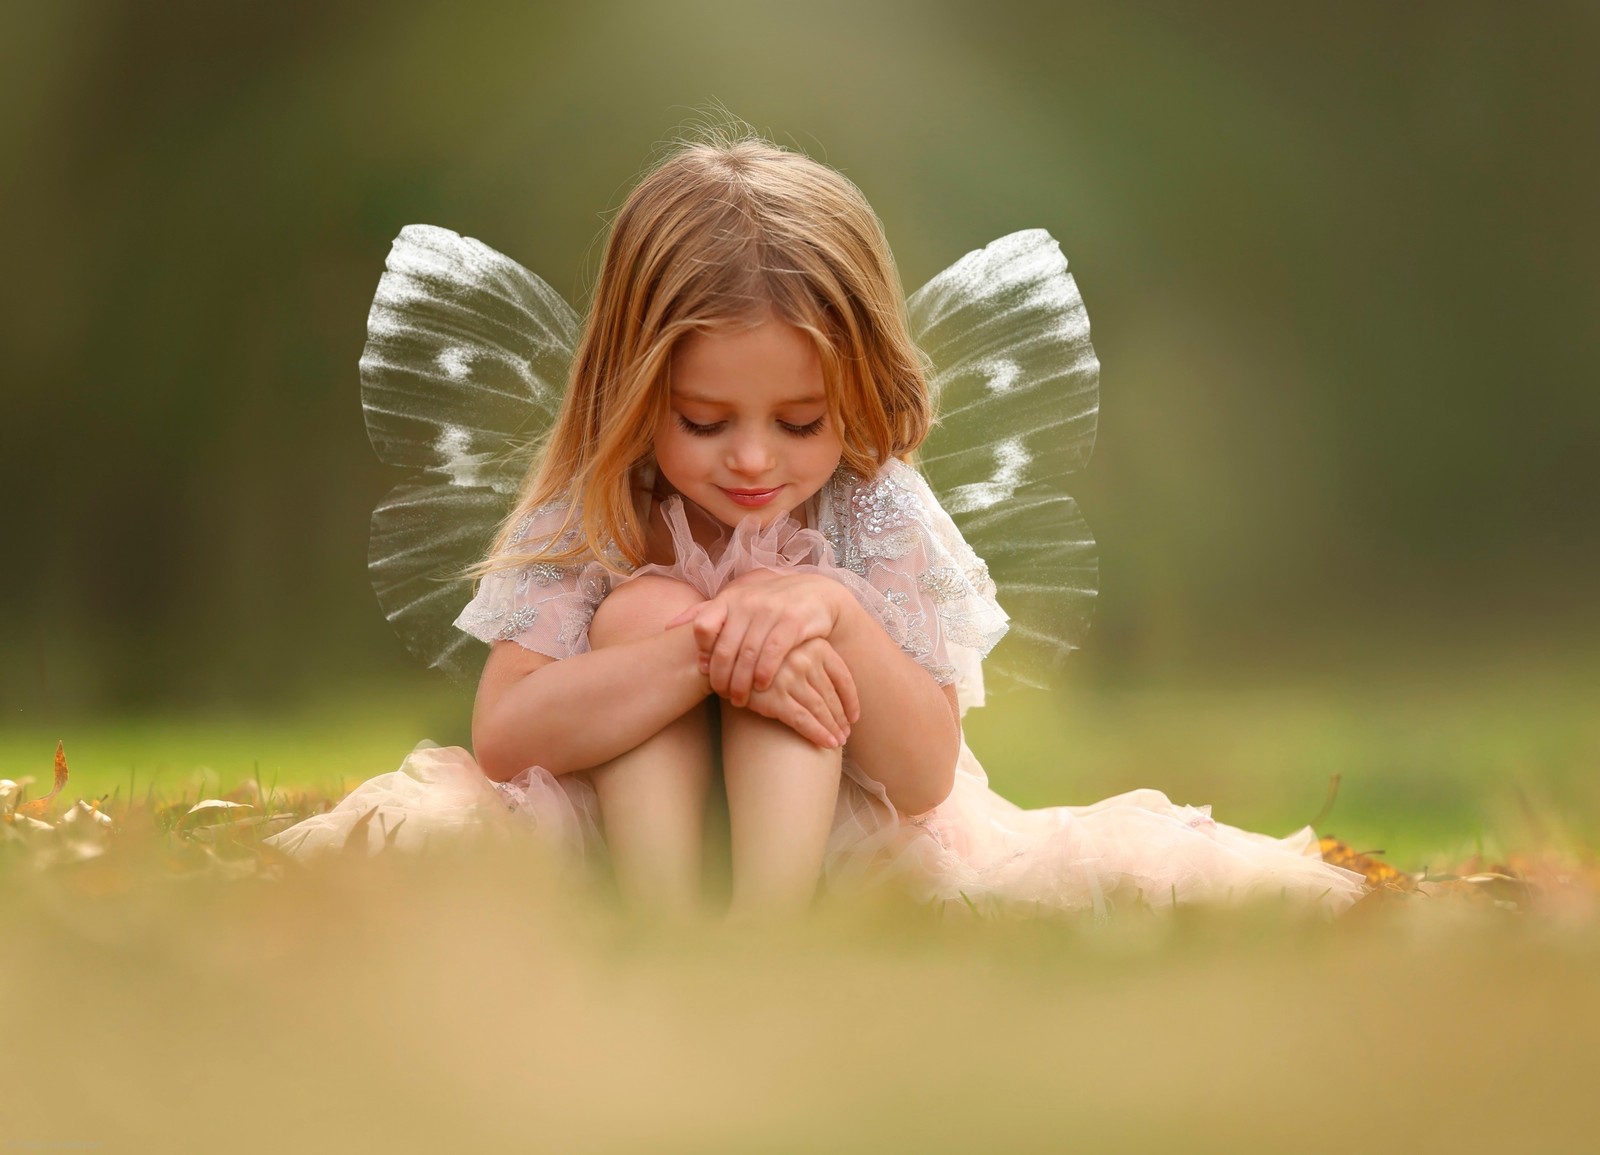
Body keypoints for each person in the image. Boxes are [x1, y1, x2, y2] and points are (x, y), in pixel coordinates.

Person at [267, 133, 1366, 919]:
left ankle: (762, 941)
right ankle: (661, 931)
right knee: (655, 603)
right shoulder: (600, 499)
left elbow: (929, 771)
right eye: (704, 420)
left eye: (799, 421)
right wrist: (703, 648)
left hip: (825, 840)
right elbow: (505, 733)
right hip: (617, 838)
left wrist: (829, 614)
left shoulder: (872, 499)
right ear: (634, 391)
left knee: (789, 625)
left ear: (860, 388)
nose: (753, 460)